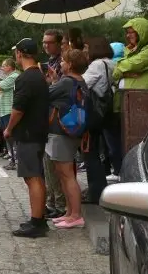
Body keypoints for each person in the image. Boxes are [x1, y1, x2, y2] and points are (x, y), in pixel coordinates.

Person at [5, 38, 51, 237]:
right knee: (36, 176)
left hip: (28, 133)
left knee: (32, 177)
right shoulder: (39, 76)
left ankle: (37, 222)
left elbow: (18, 109)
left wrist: (8, 128)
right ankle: (38, 218)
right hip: (38, 131)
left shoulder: (25, 79)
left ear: (20, 54)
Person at [109, 17, 148, 181]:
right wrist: (122, 69)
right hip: (128, 105)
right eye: (127, 32)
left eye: (132, 32)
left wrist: (123, 68)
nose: (129, 35)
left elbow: (127, 65)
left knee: (147, 141)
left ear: (142, 32)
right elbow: (116, 70)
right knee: (127, 142)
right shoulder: (128, 51)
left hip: (145, 102)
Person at [45, 49, 90, 229]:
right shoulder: (80, 81)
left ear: (70, 65)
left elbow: (47, 94)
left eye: (63, 61)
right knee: (65, 174)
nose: (61, 63)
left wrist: (52, 80)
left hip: (61, 131)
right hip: (72, 131)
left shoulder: (66, 82)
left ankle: (75, 215)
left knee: (66, 175)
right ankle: (69, 213)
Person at [81, 37, 116, 203]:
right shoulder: (111, 63)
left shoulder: (96, 65)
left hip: (94, 111)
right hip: (106, 110)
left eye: (88, 48)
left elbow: (82, 84)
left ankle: (96, 192)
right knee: (100, 152)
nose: (86, 52)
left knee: (90, 153)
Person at [41, 28, 66, 218]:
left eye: (50, 42)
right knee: (47, 162)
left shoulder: (63, 63)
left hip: (59, 118)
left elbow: (62, 89)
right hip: (48, 115)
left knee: (56, 164)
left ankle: (59, 203)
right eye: (44, 42)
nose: (46, 45)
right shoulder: (49, 62)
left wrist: (54, 81)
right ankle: (51, 200)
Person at [0, 58, 19, 167]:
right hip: (3, 111)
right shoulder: (7, 77)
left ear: (9, 67)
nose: (2, 68)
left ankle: (15, 160)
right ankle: (12, 158)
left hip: (8, 110)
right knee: (7, 136)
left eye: (4, 66)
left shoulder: (13, 77)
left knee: (10, 136)